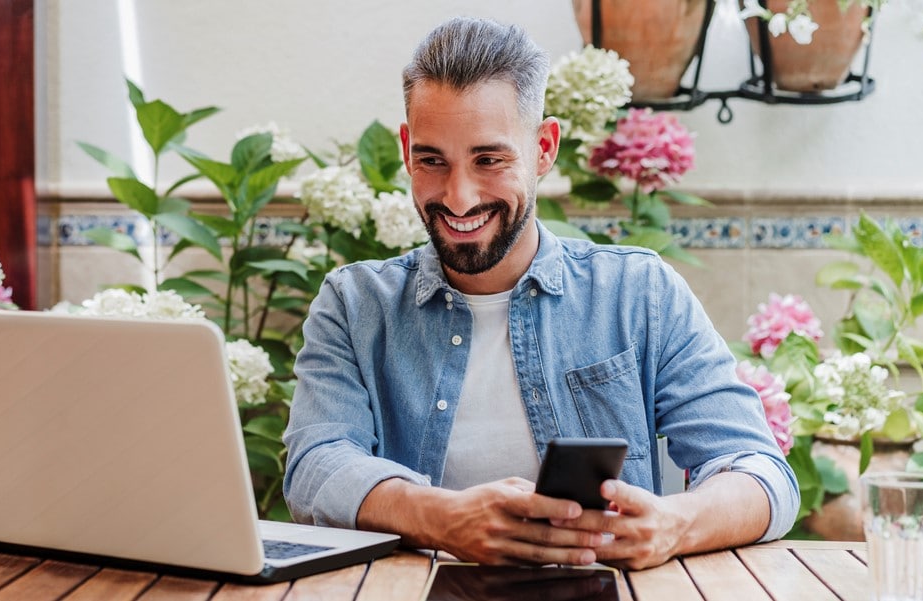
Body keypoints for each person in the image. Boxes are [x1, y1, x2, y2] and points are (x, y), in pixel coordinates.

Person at [282, 16, 799, 570]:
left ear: (544, 149)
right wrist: (441, 518)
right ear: (407, 150)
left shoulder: (638, 292)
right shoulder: (353, 304)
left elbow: (759, 472)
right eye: (433, 160)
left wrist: (676, 526)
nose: (458, 198)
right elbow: (315, 464)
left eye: (490, 160)